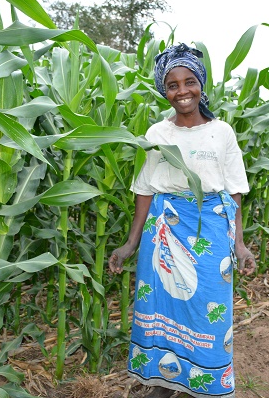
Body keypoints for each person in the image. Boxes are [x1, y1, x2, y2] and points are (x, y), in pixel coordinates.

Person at [108, 43, 256, 398]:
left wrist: (239, 243)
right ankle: (164, 382)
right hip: (164, 232)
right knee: (164, 309)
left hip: (211, 233)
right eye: (172, 85)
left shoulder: (222, 133)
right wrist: (131, 243)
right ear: (165, 91)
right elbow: (144, 189)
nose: (182, 91)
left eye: (189, 81)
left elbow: (235, 191)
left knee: (208, 310)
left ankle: (202, 380)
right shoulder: (158, 134)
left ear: (201, 84)